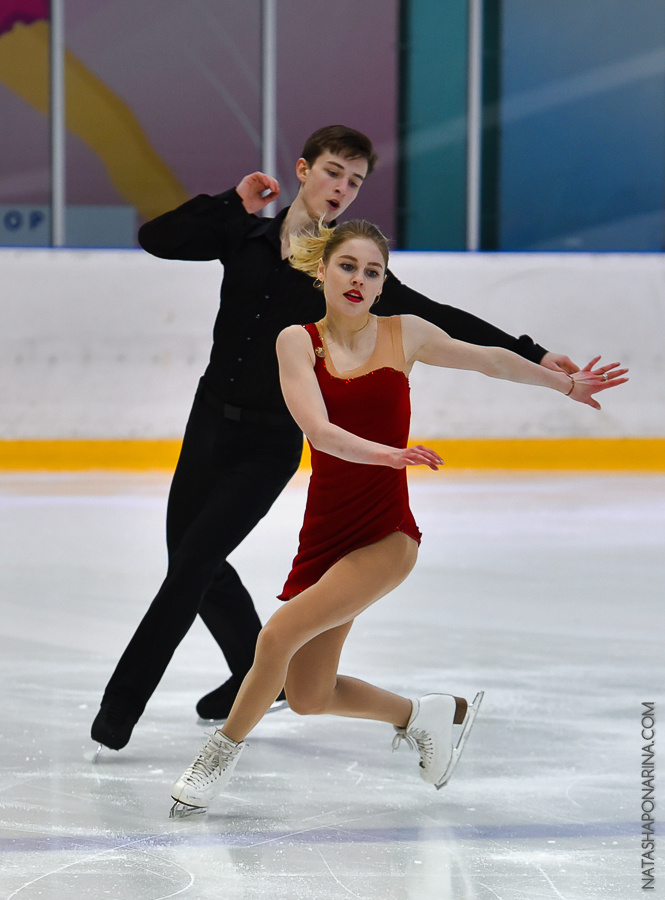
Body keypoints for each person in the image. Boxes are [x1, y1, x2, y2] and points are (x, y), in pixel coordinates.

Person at [91, 125, 580, 753]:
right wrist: (231, 202)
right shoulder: (242, 232)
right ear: (303, 170)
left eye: (354, 181)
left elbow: (449, 323)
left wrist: (533, 353)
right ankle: (251, 671)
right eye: (332, 172)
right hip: (207, 422)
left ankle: (118, 711)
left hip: (269, 446)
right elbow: (156, 239)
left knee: (190, 565)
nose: (342, 189)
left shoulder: (345, 275)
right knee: (194, 560)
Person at [168, 219, 627, 816]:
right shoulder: (295, 342)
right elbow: (318, 431)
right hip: (325, 536)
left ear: (384, 285)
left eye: (373, 271)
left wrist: (560, 382)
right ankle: (421, 716)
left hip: (386, 535)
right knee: (308, 695)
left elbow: (487, 359)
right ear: (324, 272)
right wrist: (388, 452)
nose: (359, 279)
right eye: (348, 267)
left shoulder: (404, 334)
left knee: (275, 636)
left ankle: (214, 763)